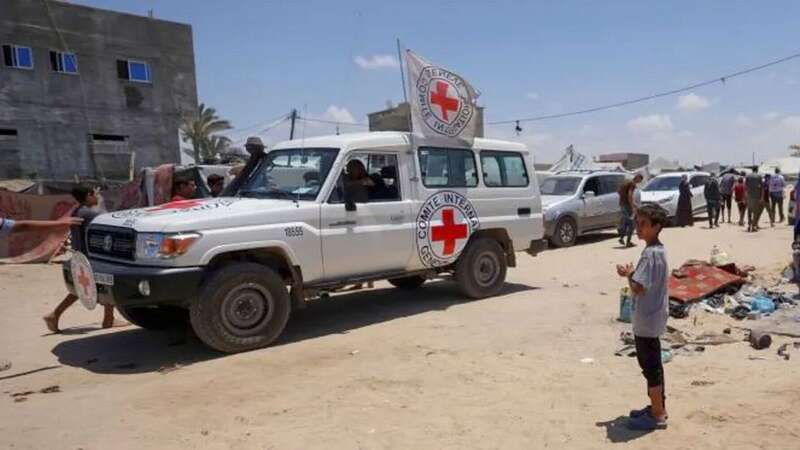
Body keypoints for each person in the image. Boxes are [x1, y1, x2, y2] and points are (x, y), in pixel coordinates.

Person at [43, 184, 126, 333]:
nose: (97, 196)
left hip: (81, 255)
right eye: (95, 194)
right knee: (100, 284)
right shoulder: (89, 213)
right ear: (88, 195)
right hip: (91, 257)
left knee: (88, 287)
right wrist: (101, 203)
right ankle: (55, 315)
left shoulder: (78, 210)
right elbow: (108, 219)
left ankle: (108, 319)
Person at [616, 204, 670, 431]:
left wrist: (628, 274)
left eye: (643, 225)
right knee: (654, 365)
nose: (638, 228)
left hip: (647, 321)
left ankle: (657, 414)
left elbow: (638, 287)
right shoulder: (658, 250)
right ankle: (657, 408)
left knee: (650, 368)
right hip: (653, 317)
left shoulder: (650, 255)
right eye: (637, 224)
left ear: (656, 227)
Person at [618, 175, 643, 247]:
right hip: (627, 206)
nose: (639, 182)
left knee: (626, 222)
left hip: (622, 205)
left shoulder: (625, 182)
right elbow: (630, 195)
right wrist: (632, 206)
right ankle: (628, 242)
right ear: (637, 178)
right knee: (631, 224)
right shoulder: (632, 184)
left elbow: (619, 192)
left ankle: (621, 238)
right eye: (640, 180)